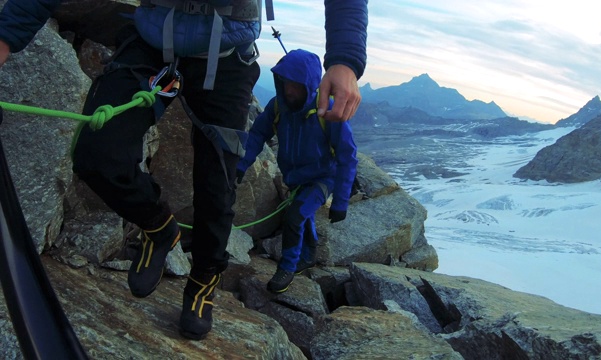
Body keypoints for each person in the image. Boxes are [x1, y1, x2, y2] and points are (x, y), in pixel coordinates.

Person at [0, 0, 367, 340]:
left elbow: (341, 154)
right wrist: (4, 35)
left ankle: (204, 279)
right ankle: (160, 228)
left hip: (227, 56)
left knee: (216, 189)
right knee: (98, 155)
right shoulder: (279, 109)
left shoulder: (307, 113)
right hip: (151, 40)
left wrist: (346, 58)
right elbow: (260, 135)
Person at [236, 49, 358, 293]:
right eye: (285, 83)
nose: (289, 90)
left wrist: (341, 202)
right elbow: (258, 134)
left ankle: (288, 267)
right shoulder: (278, 106)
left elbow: (348, 156)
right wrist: (241, 165)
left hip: (323, 177)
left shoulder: (328, 111)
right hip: (295, 177)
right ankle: (309, 254)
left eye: (296, 85)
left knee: (294, 216)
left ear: (309, 85)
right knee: (303, 214)